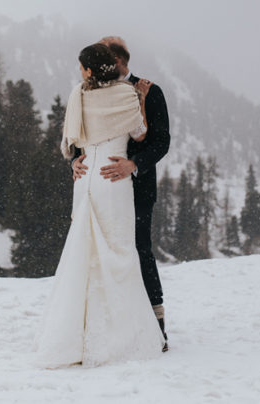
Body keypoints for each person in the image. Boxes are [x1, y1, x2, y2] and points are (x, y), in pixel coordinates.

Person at [34, 43, 163, 368]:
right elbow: (140, 134)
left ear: (91, 70)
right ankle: (123, 333)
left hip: (87, 176)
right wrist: (142, 103)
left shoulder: (78, 95)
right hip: (115, 181)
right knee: (119, 252)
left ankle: (75, 334)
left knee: (84, 252)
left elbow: (71, 142)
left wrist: (77, 159)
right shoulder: (126, 96)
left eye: (82, 67)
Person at [73, 36, 170, 350]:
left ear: (115, 62)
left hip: (137, 186)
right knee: (92, 250)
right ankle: (98, 324)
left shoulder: (149, 91)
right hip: (98, 185)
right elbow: (79, 136)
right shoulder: (88, 92)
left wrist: (134, 164)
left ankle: (155, 325)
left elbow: (160, 141)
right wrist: (74, 160)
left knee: (138, 249)